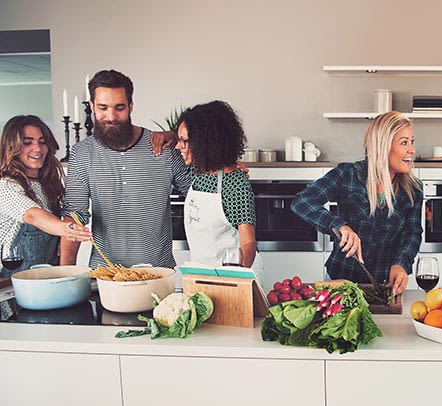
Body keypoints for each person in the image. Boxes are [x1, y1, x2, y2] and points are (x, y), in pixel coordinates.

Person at [60, 70, 191, 268]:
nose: (111, 116)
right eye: (103, 107)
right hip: (104, 274)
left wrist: (226, 169)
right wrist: (65, 275)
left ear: (131, 106)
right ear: (92, 106)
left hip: (158, 273)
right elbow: (74, 217)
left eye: (119, 107)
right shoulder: (82, 153)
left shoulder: (163, 147)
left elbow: (198, 193)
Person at [291, 111, 423, 294]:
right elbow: (302, 201)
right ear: (383, 146)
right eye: (404, 143)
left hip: (386, 286)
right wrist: (340, 226)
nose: (412, 150)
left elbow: (413, 233)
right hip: (341, 281)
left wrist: (401, 264)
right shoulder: (347, 174)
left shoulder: (414, 189)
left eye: (412, 141)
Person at [173, 100, 263, 281]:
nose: (178, 146)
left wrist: (232, 278)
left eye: (184, 141)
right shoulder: (197, 172)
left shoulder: (235, 183)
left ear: (204, 142)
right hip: (201, 275)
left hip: (233, 278)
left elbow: (248, 243)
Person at [0, 115, 90, 275]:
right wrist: (67, 229)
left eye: (42, 142)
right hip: (12, 282)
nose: (37, 148)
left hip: (47, 279)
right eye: (27, 142)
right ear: (11, 147)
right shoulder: (6, 186)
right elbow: (32, 216)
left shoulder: (48, 185)